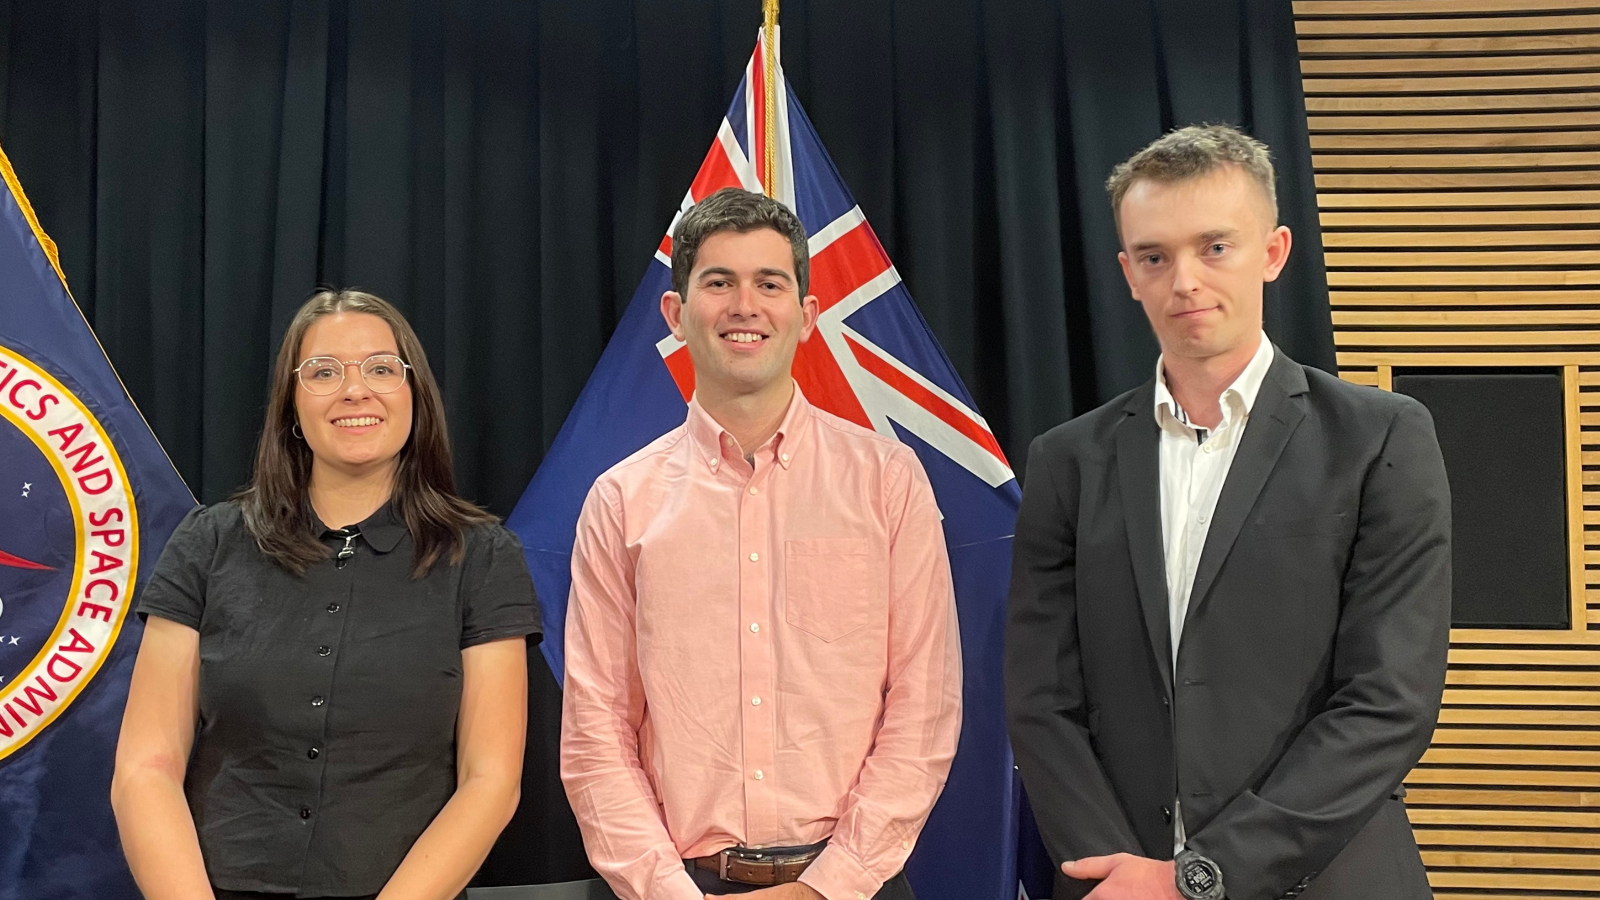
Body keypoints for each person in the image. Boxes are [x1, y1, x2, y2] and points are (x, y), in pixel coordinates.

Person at [1005, 125, 1451, 900]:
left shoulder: (1381, 438)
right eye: (1155, 257)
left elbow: (1389, 701)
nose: (1185, 281)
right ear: (1128, 274)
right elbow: (1040, 698)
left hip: (1326, 879)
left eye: (1215, 247)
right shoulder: (1066, 461)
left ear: (1273, 253)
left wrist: (1199, 878)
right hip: (1116, 883)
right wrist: (1123, 873)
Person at [560, 187, 961, 900]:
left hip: (852, 886)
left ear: (805, 317)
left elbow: (922, 712)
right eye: (718, 282)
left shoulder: (888, 482)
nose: (745, 305)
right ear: (677, 315)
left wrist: (822, 889)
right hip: (674, 887)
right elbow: (597, 735)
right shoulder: (620, 502)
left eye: (769, 283)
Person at [112, 289, 541, 900]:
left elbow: (490, 780)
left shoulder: (483, 557)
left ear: (414, 395)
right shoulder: (208, 543)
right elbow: (144, 768)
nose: (355, 390)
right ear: (291, 405)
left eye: (381, 369)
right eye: (323, 372)